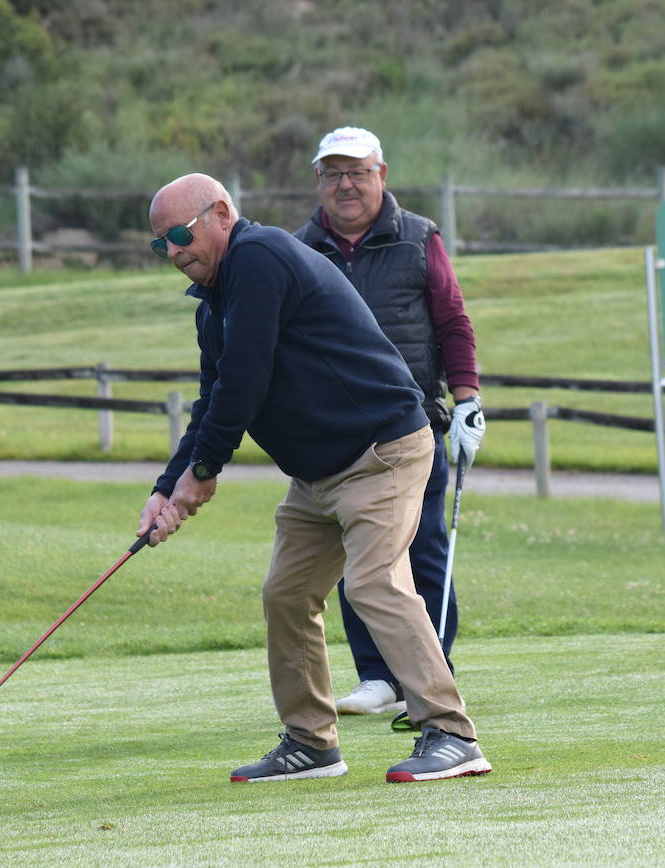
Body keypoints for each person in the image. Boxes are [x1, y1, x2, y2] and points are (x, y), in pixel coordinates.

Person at [138, 172, 490, 783]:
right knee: (287, 593)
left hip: (382, 449)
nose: (172, 252)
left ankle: (451, 732)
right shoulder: (216, 301)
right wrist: (167, 488)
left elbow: (245, 382)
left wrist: (203, 472)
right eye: (158, 243)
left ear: (221, 212)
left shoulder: (259, 258)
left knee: (374, 582)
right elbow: (213, 400)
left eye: (178, 234)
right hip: (317, 474)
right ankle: (312, 742)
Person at [293, 126, 485, 719]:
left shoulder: (418, 237)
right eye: (333, 174)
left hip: (415, 425)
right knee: (358, 558)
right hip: (338, 435)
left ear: (382, 176)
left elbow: (453, 323)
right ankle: (377, 676)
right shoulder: (298, 249)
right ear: (318, 182)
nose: (345, 185)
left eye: (357, 172)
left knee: (423, 553)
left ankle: (433, 674)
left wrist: (468, 397)